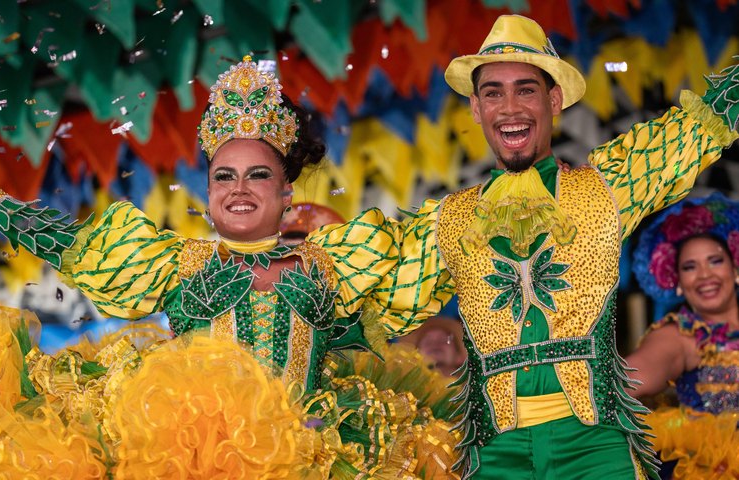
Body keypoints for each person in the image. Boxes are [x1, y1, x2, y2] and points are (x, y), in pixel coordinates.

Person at [0, 56, 460, 478]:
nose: (239, 188)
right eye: (224, 176)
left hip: (315, 454)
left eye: (258, 175)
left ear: (286, 192)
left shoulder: (335, 264)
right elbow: (78, 246)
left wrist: (513, 190)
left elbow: (439, 239)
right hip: (191, 462)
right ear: (208, 193)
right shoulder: (178, 262)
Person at [308, 14, 739, 480]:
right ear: (475, 108)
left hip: (595, 447)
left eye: (526, 90)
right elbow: (362, 285)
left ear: (553, 100)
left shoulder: (608, 189)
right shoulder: (448, 221)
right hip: (494, 453)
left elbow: (695, 133)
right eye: (493, 92)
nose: (509, 107)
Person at [627, 193, 739, 479]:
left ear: (734, 268)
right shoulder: (680, 336)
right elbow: (625, 382)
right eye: (690, 267)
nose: (704, 275)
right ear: (676, 280)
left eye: (714, 261)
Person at [401, 315, 466, 377]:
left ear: (460, 357)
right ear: (415, 356)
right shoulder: (397, 387)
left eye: (443, 340)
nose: (435, 344)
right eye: (428, 342)